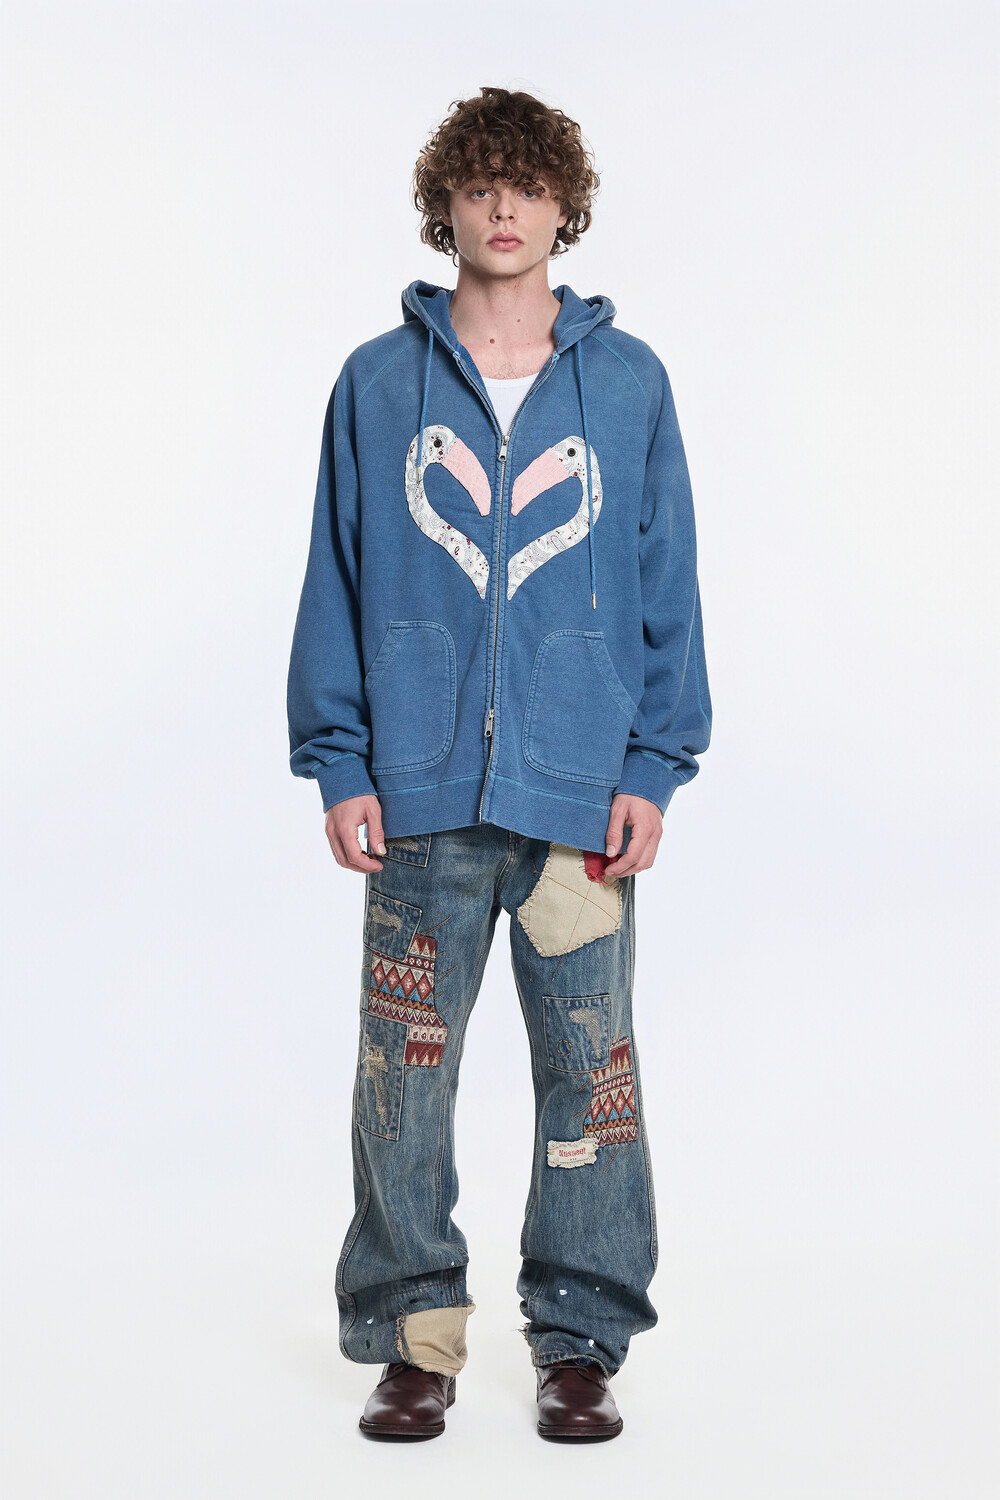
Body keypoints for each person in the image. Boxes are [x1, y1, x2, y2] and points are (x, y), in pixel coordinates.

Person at [286, 85, 712, 1442]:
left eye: (527, 185)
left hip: (581, 797)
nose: (505, 208)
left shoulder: (629, 384)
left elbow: (667, 585)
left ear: (563, 206)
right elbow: (336, 576)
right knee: (403, 1078)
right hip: (418, 795)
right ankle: (413, 1337)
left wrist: (653, 764)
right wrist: (340, 760)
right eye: (480, 186)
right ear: (448, 208)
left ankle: (580, 1336)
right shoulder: (377, 383)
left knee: (592, 1071)